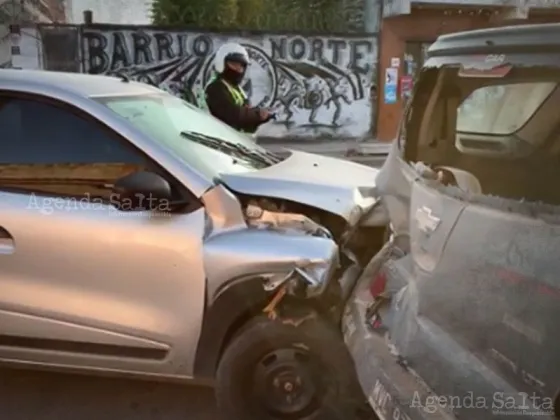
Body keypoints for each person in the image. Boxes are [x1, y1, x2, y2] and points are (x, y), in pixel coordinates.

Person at [204, 43, 272, 133]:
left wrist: (260, 118)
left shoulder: (237, 90)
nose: (238, 69)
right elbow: (233, 115)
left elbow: (245, 122)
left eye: (241, 66)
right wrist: (257, 114)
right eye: (233, 64)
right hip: (218, 139)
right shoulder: (215, 88)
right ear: (222, 63)